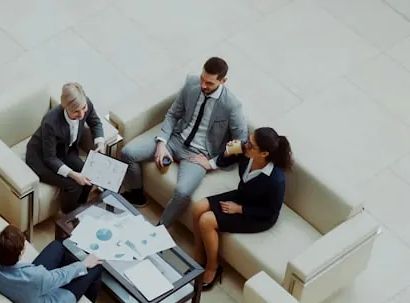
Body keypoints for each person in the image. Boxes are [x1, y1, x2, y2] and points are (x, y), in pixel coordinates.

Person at [119, 57, 249, 227]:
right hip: (175, 139)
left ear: (223, 81)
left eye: (209, 83)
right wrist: (162, 143)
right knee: (128, 153)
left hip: (198, 155)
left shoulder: (232, 105)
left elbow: (242, 142)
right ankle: (137, 195)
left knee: (182, 192)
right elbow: (173, 114)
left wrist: (213, 163)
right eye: (202, 78)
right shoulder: (192, 84)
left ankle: (160, 230)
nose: (203, 85)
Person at [191, 126, 293, 289]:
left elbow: (270, 213)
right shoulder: (246, 153)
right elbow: (224, 161)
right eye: (248, 140)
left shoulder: (276, 180)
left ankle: (213, 267)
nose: (246, 145)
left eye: (251, 145)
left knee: (206, 221)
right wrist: (227, 152)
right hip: (243, 195)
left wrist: (240, 210)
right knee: (198, 207)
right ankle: (198, 252)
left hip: (257, 215)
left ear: (264, 154)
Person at [25, 82, 106, 213]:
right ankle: (69, 216)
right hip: (41, 158)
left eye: (83, 109)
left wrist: (100, 143)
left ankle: (81, 207)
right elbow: (50, 158)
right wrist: (74, 175)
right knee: (74, 185)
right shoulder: (50, 122)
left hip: (65, 151)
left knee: (88, 175)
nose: (81, 115)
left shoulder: (86, 104)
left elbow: (95, 122)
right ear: (65, 107)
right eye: (76, 112)